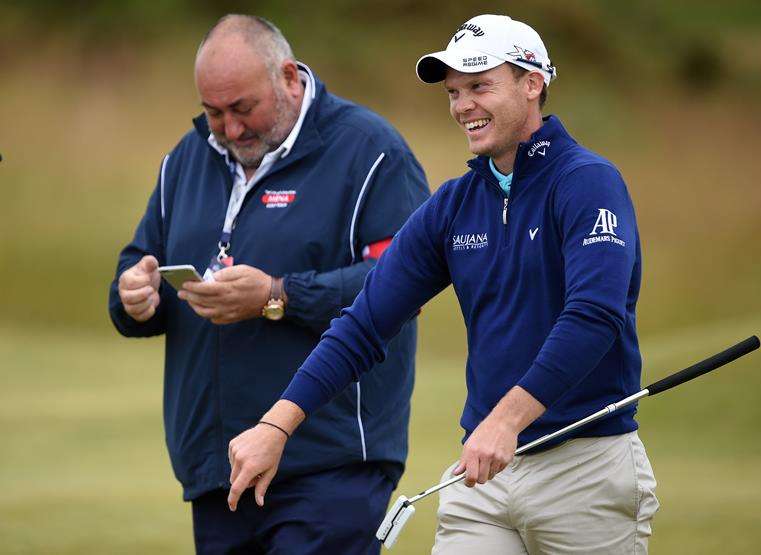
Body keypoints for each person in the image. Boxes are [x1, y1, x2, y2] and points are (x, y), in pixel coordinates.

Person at [227, 13, 661, 554]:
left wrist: (505, 422)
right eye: (454, 92)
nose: (462, 106)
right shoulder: (455, 206)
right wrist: (277, 426)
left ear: (533, 83)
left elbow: (594, 316)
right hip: (482, 476)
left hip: (585, 467)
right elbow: (364, 325)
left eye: (479, 86)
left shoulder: (587, 183)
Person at [108, 14, 429, 555]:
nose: (230, 129)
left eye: (242, 109)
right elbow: (142, 259)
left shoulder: (369, 151)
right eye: (214, 113)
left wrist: (278, 295)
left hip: (331, 465)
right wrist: (134, 297)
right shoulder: (186, 160)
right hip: (218, 471)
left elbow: (406, 284)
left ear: (287, 77)